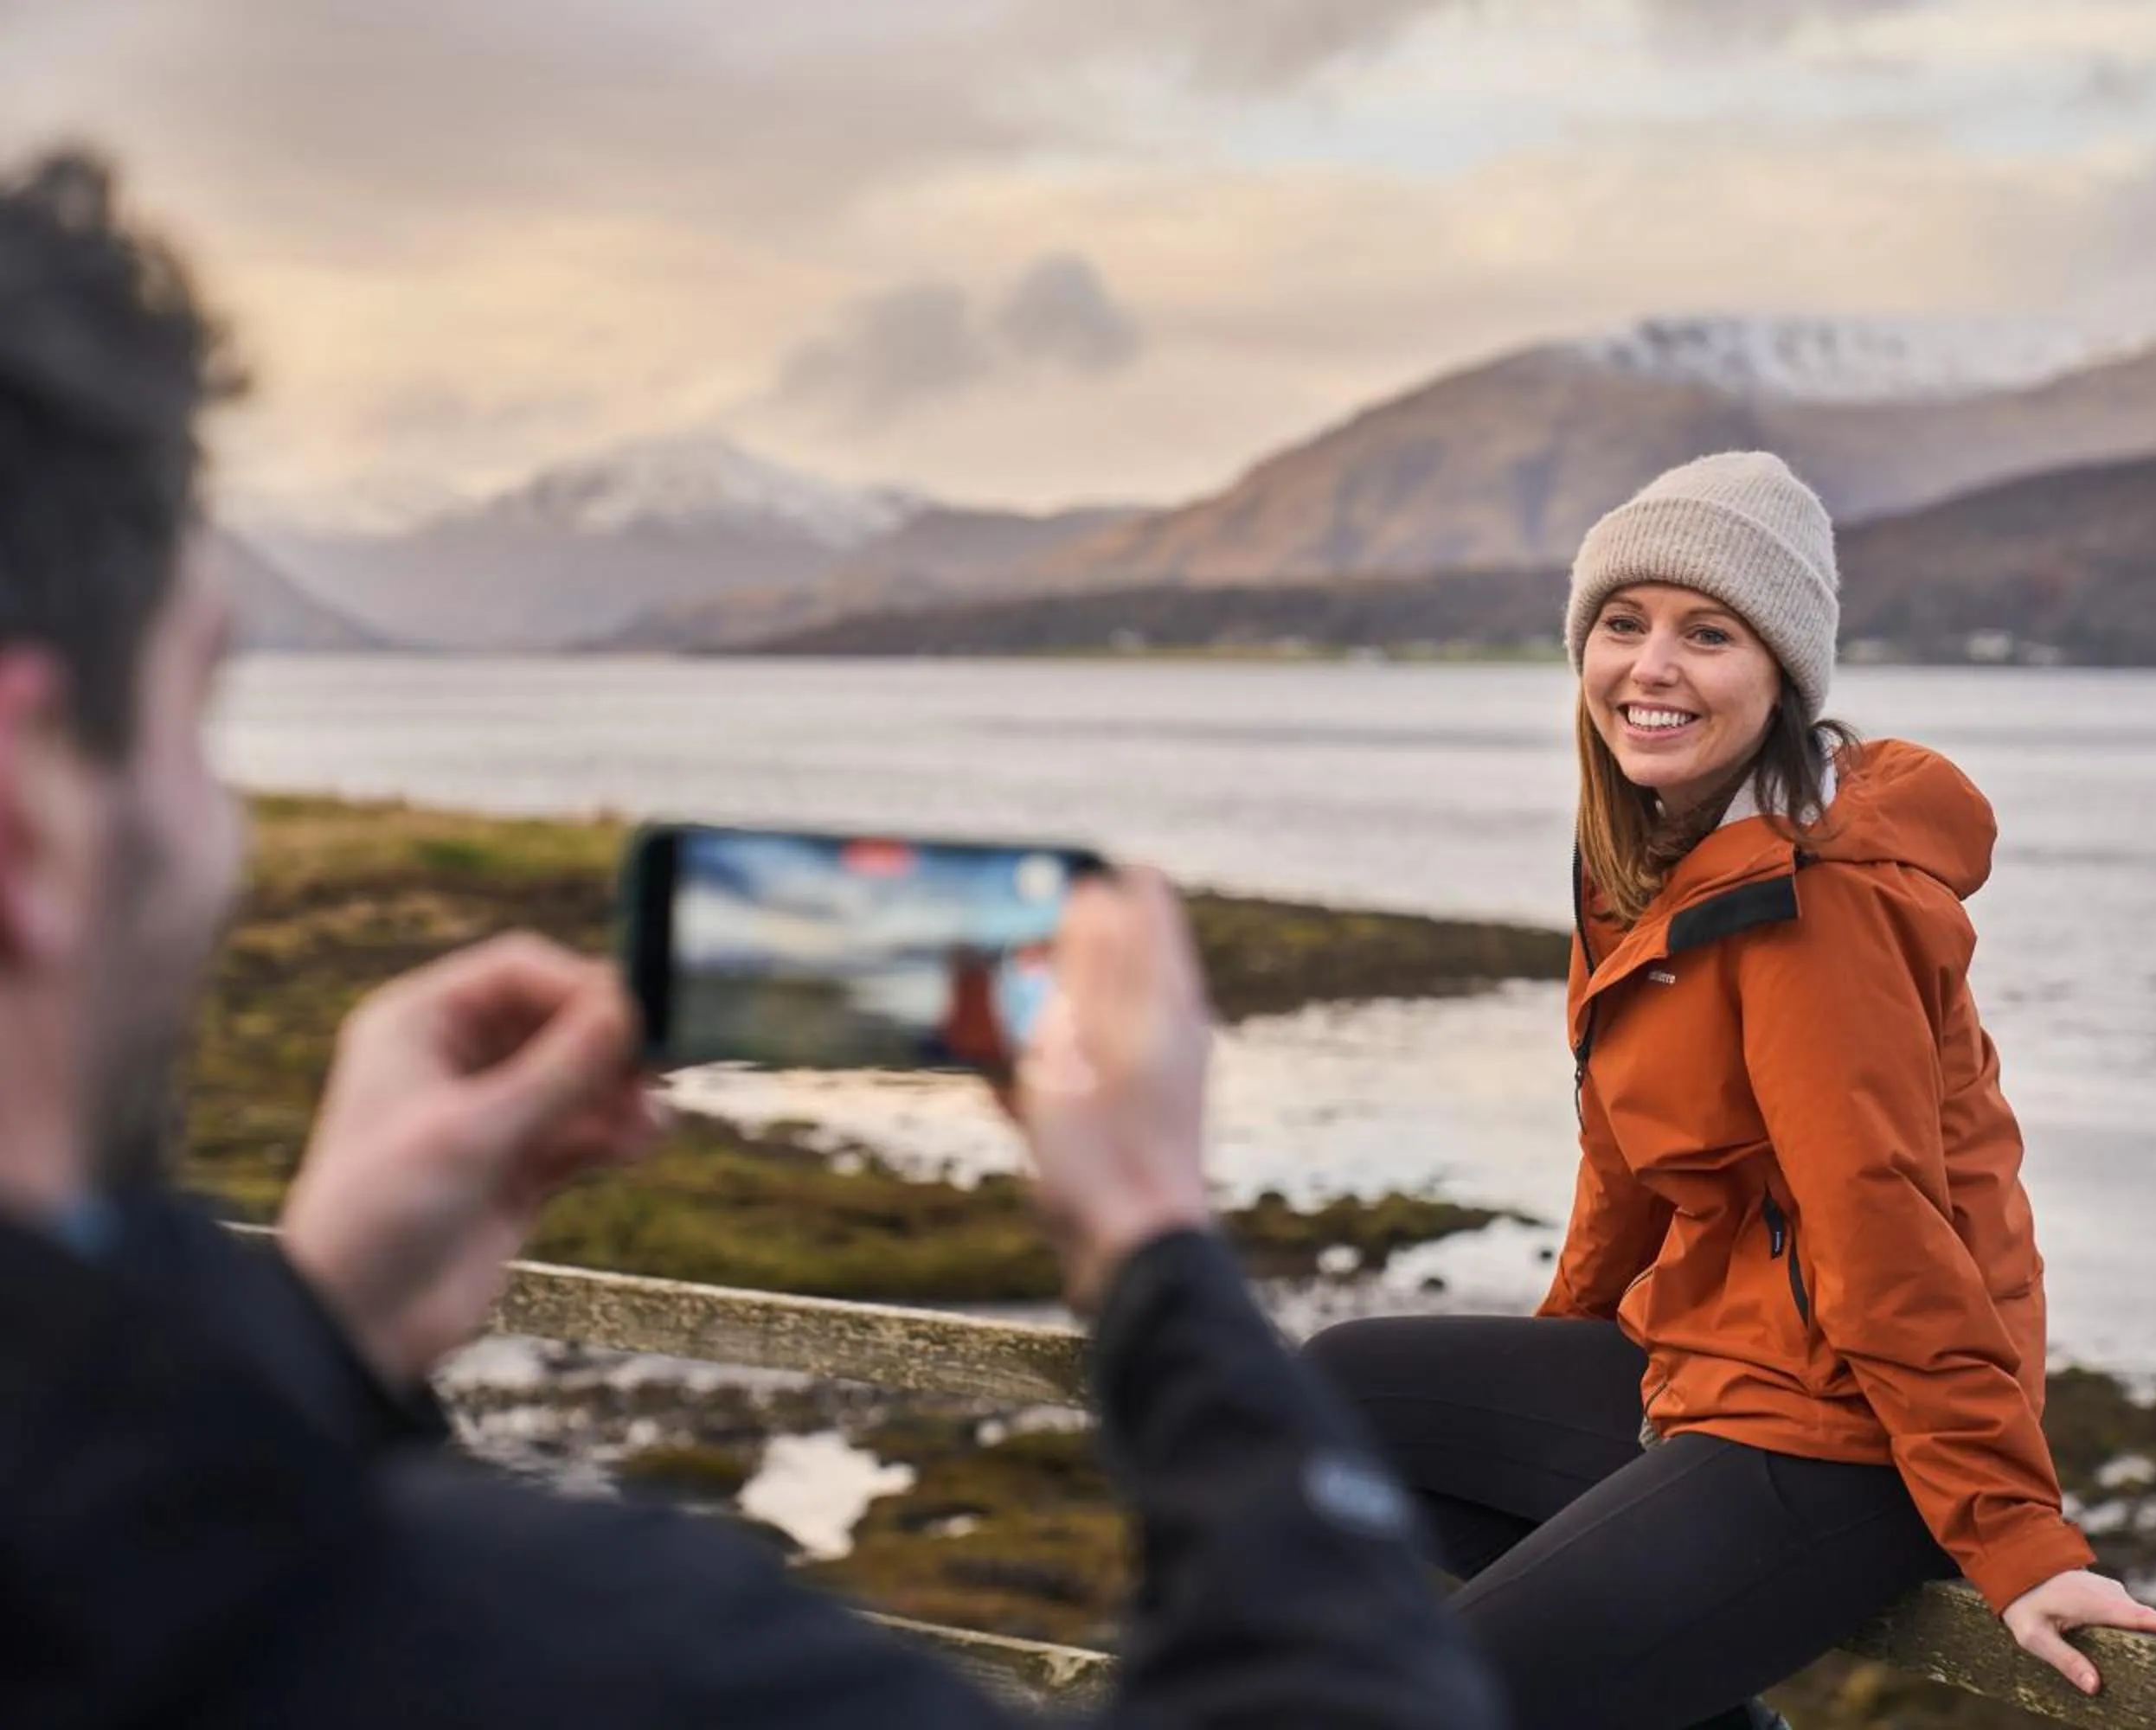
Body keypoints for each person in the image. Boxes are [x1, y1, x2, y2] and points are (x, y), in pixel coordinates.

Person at [0, 149, 1504, 1730]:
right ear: (32, 823)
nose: (226, 819)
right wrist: (1155, 1251)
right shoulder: (561, 1656)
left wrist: (321, 1332)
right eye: (198, 711)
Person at [1304, 452, 2156, 1730]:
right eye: (1624, 624)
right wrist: (1564, 1352)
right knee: (1329, 1401)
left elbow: (1882, 1220)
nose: (1651, 667)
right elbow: (1622, 1167)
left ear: (1782, 673)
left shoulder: (1812, 899)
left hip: (1853, 1433)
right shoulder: (1647, 858)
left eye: (1708, 634)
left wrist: (2016, 1535)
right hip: (1705, 1369)